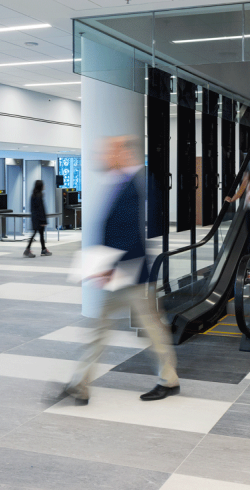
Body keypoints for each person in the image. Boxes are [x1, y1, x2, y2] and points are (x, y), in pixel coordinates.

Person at [66, 136, 179, 405]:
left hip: (130, 273)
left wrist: (108, 267)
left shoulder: (132, 185)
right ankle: (79, 383)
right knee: (100, 328)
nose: (102, 155)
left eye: (109, 150)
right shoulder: (118, 182)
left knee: (151, 329)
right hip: (118, 272)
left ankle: (170, 379)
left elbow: (130, 233)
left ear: (122, 153)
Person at [24, 180, 51, 258]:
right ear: (40, 186)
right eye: (43, 185)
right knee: (36, 234)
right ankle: (28, 249)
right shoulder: (39, 195)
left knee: (39, 234)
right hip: (39, 218)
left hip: (35, 218)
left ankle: (43, 249)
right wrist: (43, 220)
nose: (44, 186)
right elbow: (41, 209)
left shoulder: (33, 195)